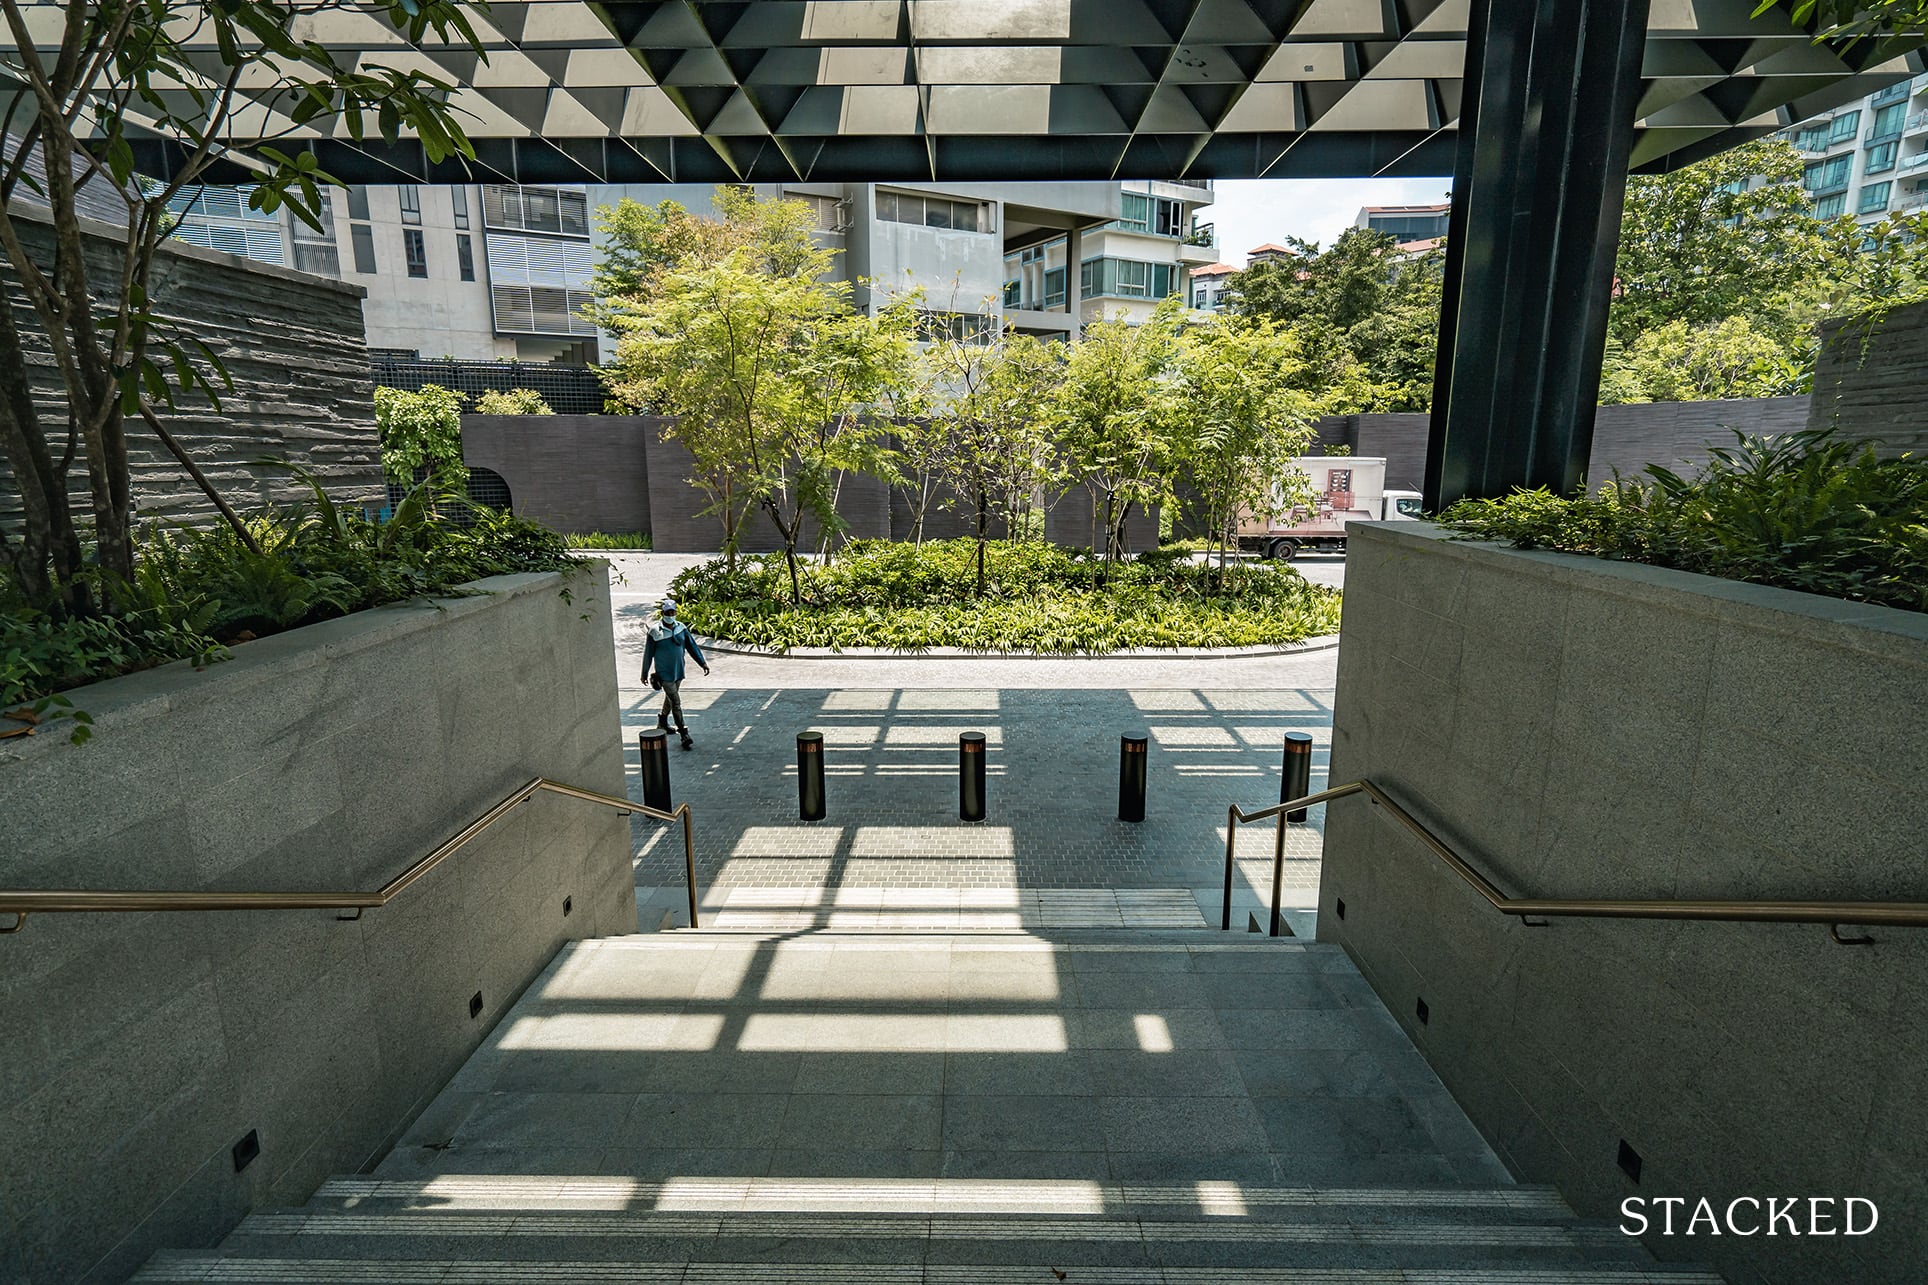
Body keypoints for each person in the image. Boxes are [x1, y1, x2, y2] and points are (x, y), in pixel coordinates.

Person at [643, 597, 710, 751]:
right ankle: (684, 734)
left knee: (670, 698)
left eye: (673, 611)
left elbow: (692, 646)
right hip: (664, 674)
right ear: (662, 612)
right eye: (668, 612)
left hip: (678, 671)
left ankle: (663, 721)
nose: (671, 614)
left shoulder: (681, 628)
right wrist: (644, 673)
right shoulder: (655, 631)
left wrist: (702, 663)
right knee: (676, 702)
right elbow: (648, 654)